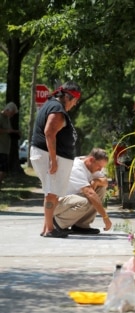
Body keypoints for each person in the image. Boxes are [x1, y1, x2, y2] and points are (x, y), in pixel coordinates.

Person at [30, 81, 81, 238]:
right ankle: (50, 230)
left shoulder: (52, 105)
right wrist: (53, 159)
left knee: (51, 192)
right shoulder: (57, 108)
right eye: (75, 100)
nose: (75, 104)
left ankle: (47, 227)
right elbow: (49, 132)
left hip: (50, 155)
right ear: (68, 96)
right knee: (52, 193)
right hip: (50, 156)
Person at [53, 148, 112, 234]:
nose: (100, 170)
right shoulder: (76, 168)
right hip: (57, 204)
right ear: (91, 160)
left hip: (71, 199)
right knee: (85, 201)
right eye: (99, 167)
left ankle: (81, 226)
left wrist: (97, 181)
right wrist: (105, 217)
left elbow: (105, 182)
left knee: (101, 188)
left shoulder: (90, 165)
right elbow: (90, 193)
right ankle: (57, 223)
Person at [0, 102, 19, 186]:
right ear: (7, 110)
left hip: (5, 148)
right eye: (11, 113)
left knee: (4, 170)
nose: (12, 115)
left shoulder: (7, 118)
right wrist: (8, 131)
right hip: (0, 148)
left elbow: (9, 130)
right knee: (2, 170)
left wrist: (15, 132)